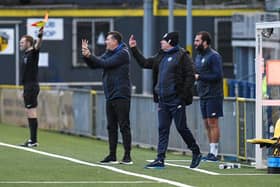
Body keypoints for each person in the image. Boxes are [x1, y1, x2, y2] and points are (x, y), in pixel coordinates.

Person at [129, 32, 202, 169]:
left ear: (171, 42)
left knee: (181, 128)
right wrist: (134, 49)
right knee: (162, 129)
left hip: (176, 100)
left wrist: (182, 96)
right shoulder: (160, 56)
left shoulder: (182, 56)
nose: (161, 43)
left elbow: (190, 76)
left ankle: (196, 151)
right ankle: (160, 159)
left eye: (164, 41)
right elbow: (145, 63)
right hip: (163, 100)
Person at [82, 31, 133, 165]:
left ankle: (127, 156)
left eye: (108, 40)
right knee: (111, 127)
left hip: (121, 94)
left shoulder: (123, 53)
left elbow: (105, 64)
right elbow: (95, 65)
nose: (106, 42)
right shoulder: (109, 53)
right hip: (110, 94)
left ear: (115, 41)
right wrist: (86, 57)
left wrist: (90, 55)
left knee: (124, 126)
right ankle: (112, 155)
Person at [194, 31, 223, 161]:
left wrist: (200, 77)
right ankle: (210, 151)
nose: (195, 43)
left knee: (213, 123)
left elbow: (217, 75)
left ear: (205, 42)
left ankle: (214, 153)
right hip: (203, 94)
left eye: (197, 41)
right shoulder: (199, 57)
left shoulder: (214, 56)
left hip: (213, 94)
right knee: (206, 123)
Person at [19, 27, 44, 147]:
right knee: (29, 112)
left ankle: (33, 140)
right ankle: (32, 139)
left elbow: (38, 46)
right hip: (27, 87)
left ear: (28, 43)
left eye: (22, 42)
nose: (20, 44)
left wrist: (40, 36)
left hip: (32, 87)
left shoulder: (33, 52)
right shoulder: (26, 54)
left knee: (32, 112)